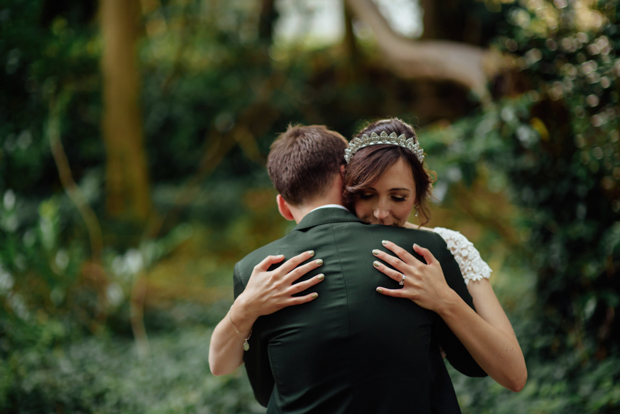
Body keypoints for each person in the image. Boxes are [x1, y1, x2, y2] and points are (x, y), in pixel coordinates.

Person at [209, 125, 486, 413]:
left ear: (283, 206)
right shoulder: (424, 251)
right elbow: (470, 361)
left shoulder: (257, 270)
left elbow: (263, 387)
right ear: (348, 178)